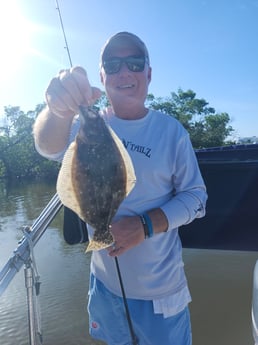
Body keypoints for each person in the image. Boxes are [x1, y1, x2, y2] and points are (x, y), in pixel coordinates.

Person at [33, 31, 207, 345]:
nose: (124, 71)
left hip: (161, 296)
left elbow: (196, 198)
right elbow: (47, 146)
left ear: (148, 74)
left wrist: (144, 225)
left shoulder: (171, 132)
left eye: (134, 62)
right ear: (102, 76)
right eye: (113, 65)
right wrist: (58, 111)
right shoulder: (88, 125)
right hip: (103, 289)